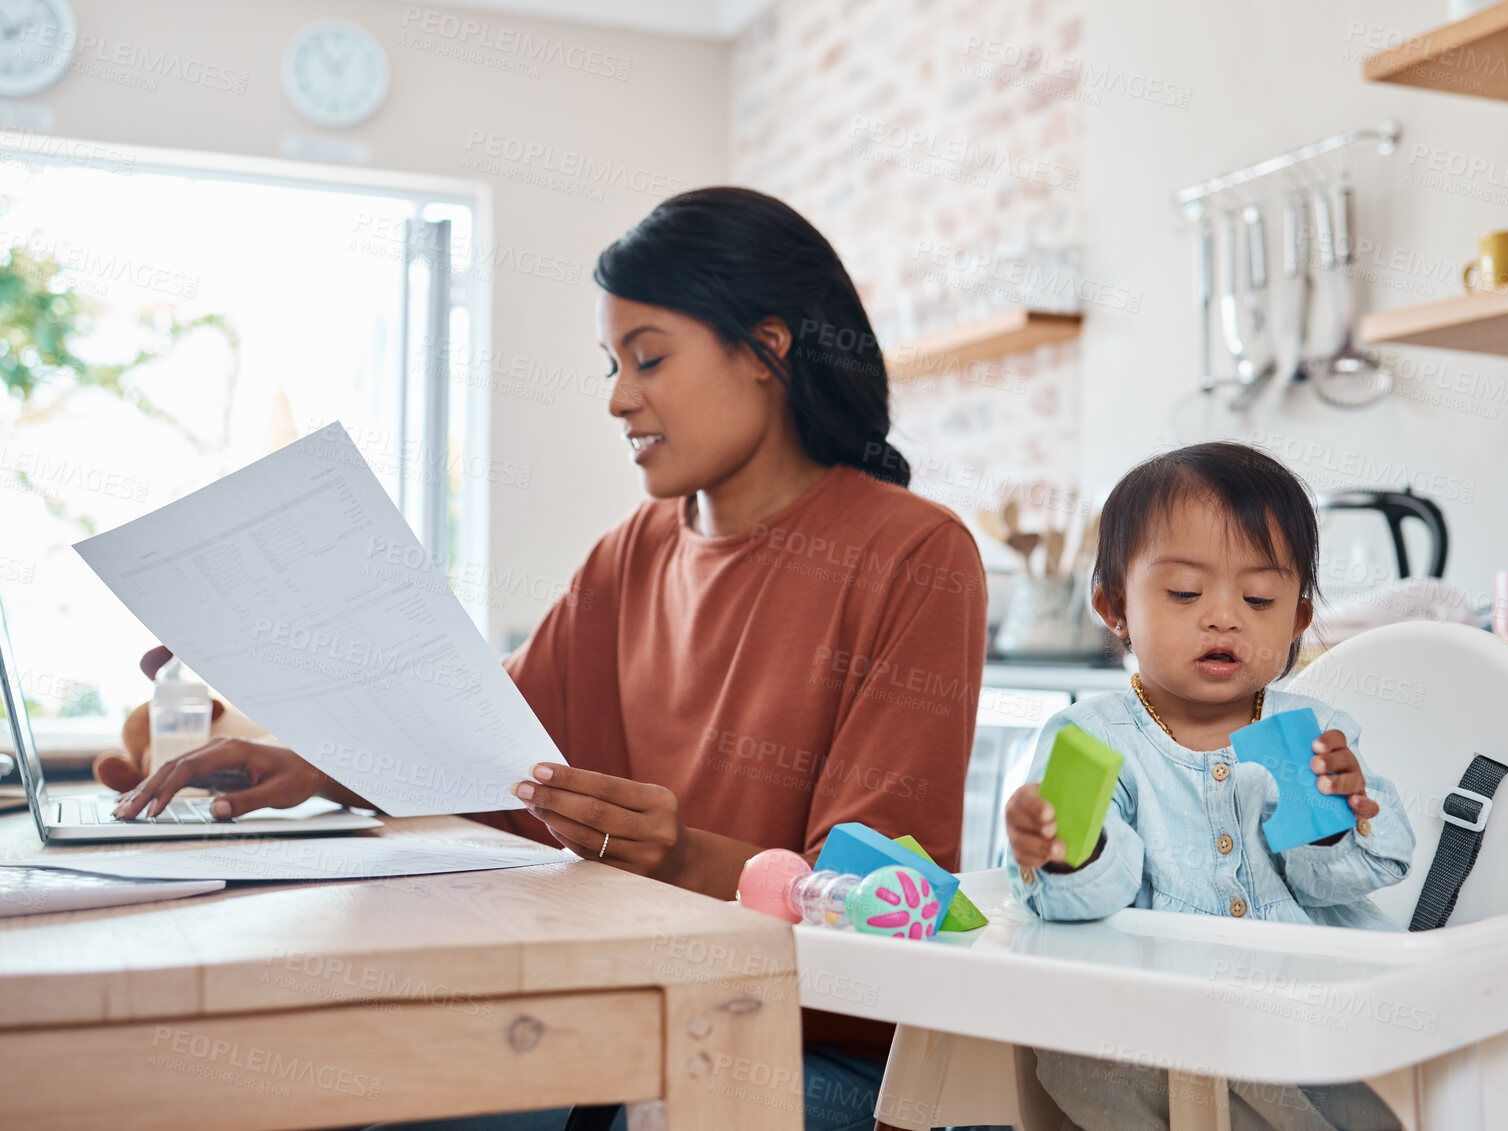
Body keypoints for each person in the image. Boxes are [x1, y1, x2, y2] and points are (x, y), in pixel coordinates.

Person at [115, 186, 989, 1131]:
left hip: (799, 1045)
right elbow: (497, 768)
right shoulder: (630, 552)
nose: (618, 397)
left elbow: (884, 908)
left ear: (767, 347)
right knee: (330, 1088)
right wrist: (320, 761)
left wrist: (687, 856)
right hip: (616, 1009)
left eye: (648, 357)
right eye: (612, 365)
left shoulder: (915, 554)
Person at [1002, 442, 1415, 1131]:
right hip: (1150, 1026)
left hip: (1306, 1021)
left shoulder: (1311, 731)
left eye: (1258, 597)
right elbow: (1079, 904)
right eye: (1185, 593)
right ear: (1114, 606)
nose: (1224, 616)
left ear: (1297, 622)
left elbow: (1364, 871)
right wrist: (1064, 850)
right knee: (1080, 1056)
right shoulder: (1092, 737)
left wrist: (1336, 820)